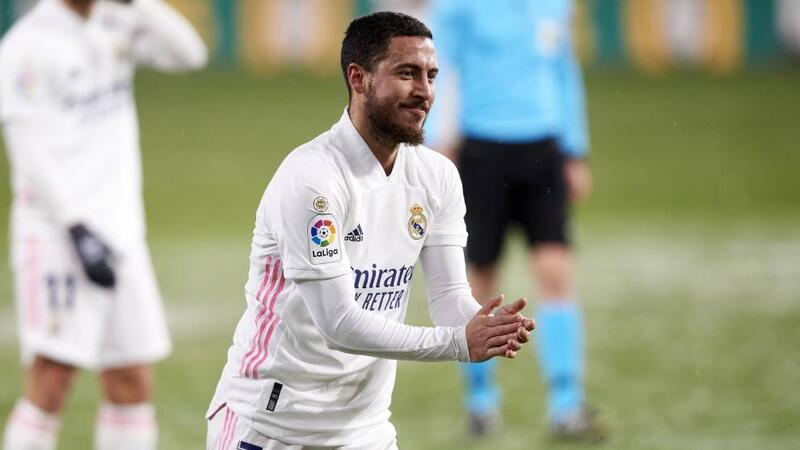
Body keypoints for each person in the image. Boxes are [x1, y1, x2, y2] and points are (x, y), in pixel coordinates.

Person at [205, 11, 535, 450]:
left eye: (431, 76)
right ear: (358, 79)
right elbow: (338, 322)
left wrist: (480, 324)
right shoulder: (313, 178)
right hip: (270, 426)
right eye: (407, 73)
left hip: (365, 431)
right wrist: (457, 342)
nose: (424, 92)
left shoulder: (437, 175)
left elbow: (448, 296)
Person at [0, 0, 207, 448]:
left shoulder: (117, 21)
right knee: (51, 377)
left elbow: (190, 54)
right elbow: (27, 150)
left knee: (131, 376)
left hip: (122, 232)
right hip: (56, 234)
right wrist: (75, 227)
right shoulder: (26, 45)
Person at [425, 0, 605, 440]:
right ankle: (480, 399)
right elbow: (436, 70)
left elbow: (563, 71)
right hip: (483, 153)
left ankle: (566, 404)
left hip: (544, 153)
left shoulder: (555, 5)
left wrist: (575, 149)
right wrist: (438, 143)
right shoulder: (457, 6)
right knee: (481, 280)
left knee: (555, 272)